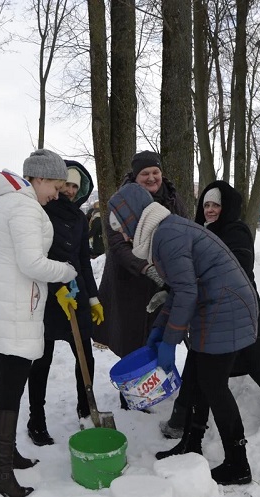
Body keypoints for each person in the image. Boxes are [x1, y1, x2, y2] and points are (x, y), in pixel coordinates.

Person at [108, 183, 259, 485]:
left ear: (134, 219)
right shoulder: (164, 232)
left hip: (226, 309)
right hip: (213, 307)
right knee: (195, 379)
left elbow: (187, 292)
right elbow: (181, 288)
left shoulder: (168, 235)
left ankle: (238, 464)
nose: (123, 235)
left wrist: (169, 342)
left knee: (214, 386)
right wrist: (160, 329)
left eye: (122, 227)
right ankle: (191, 443)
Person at [157, 182, 260, 457]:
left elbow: (237, 269)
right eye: (206, 205)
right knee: (197, 369)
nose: (210, 210)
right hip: (213, 319)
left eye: (216, 205)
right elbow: (184, 271)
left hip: (245, 315)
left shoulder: (236, 232)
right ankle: (177, 425)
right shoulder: (199, 232)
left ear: (227, 207)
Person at [0, 149, 77, 497]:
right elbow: (32, 263)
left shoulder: (14, 203)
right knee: (11, 388)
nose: (57, 192)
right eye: (54, 184)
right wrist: (66, 271)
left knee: (13, 384)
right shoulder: (22, 206)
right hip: (17, 308)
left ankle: (7, 457)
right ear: (37, 179)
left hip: (13, 304)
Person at [92, 150, 186, 408]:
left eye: (155, 172)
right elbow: (118, 246)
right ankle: (131, 393)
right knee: (132, 338)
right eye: (145, 173)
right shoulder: (119, 204)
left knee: (160, 332)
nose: (152, 177)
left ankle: (158, 386)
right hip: (130, 282)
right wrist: (146, 268)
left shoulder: (173, 198)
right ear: (136, 176)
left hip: (164, 281)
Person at [26, 160, 103, 446]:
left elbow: (83, 260)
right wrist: (56, 286)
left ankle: (86, 408)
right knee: (40, 360)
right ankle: (37, 419)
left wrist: (93, 297)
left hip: (76, 294)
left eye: (75, 186)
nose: (70, 190)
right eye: (66, 184)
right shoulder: (41, 211)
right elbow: (36, 257)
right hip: (47, 296)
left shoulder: (81, 219)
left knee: (86, 354)